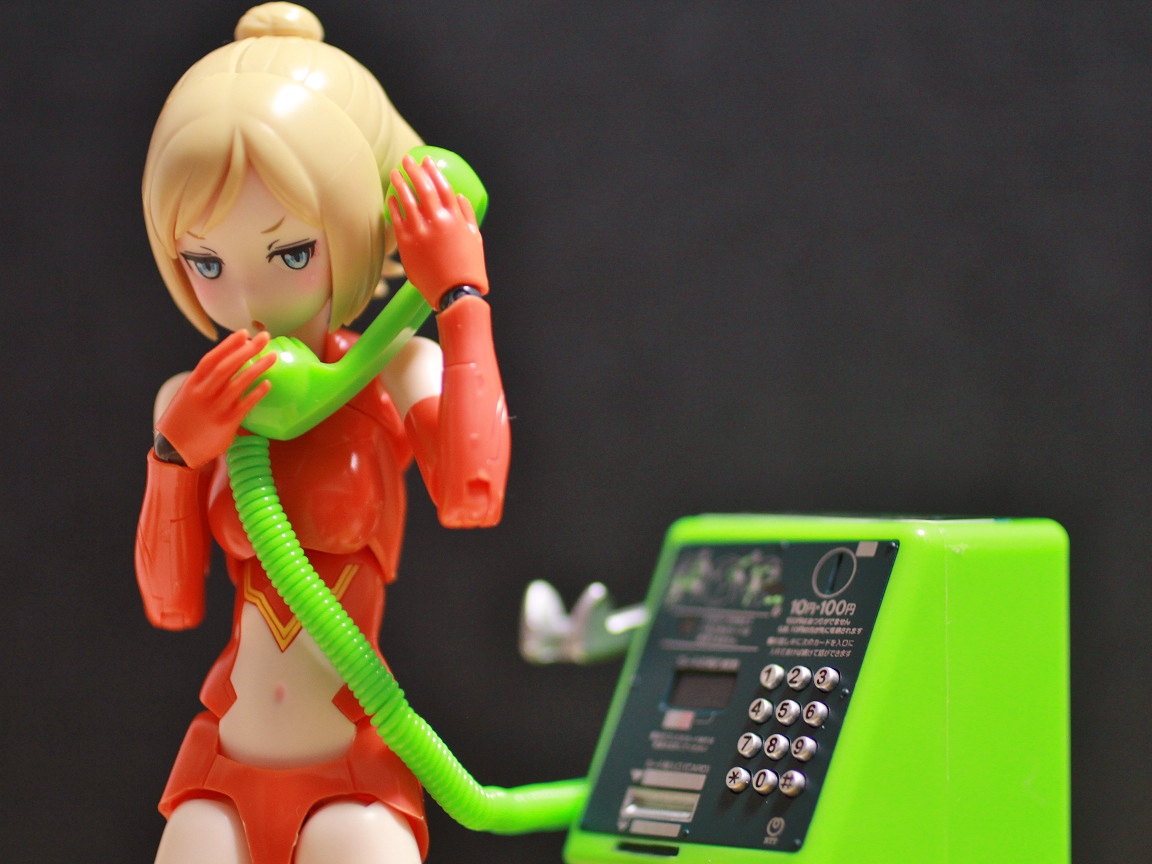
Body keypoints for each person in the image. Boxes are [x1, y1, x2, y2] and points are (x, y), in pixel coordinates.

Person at [135, 5, 510, 862]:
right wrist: (172, 456)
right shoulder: (187, 401)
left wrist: (459, 301)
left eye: (292, 253)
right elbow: (171, 604)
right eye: (206, 262)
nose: (247, 300)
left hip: (351, 770)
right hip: (225, 765)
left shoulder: (395, 371)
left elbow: (472, 496)